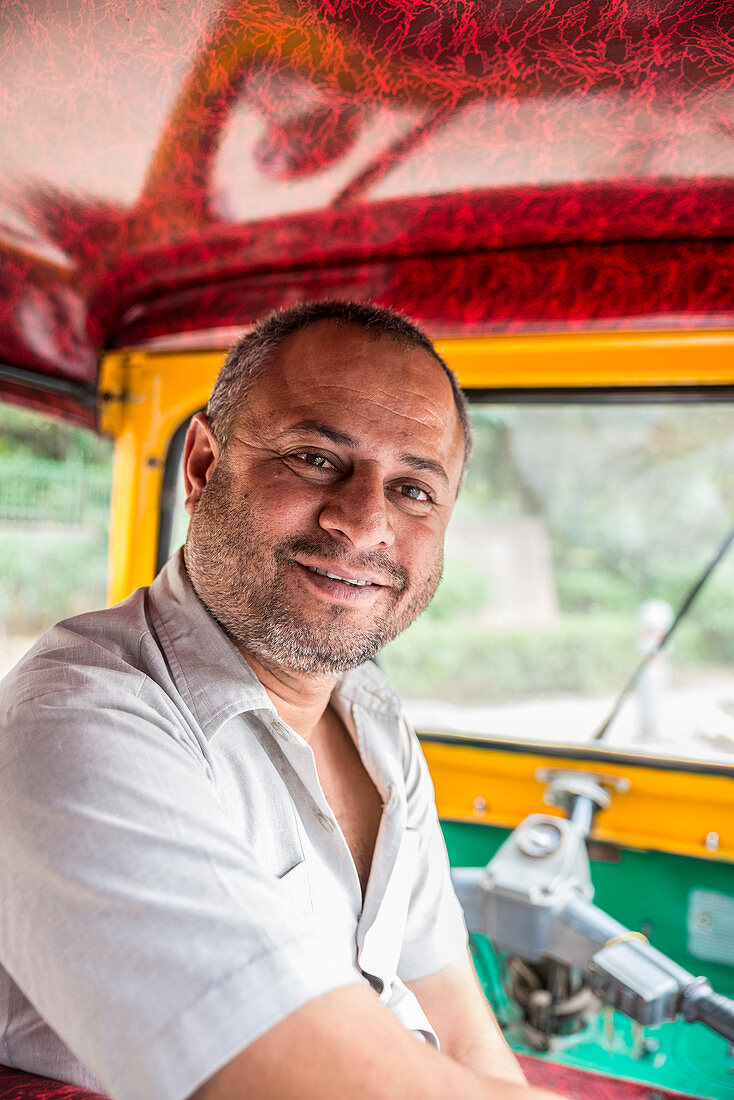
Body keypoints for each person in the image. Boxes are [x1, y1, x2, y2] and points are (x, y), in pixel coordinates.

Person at [0, 301, 563, 1100]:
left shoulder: (372, 718)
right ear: (200, 467)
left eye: (412, 489)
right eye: (314, 458)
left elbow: (457, 1018)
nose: (363, 521)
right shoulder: (75, 724)